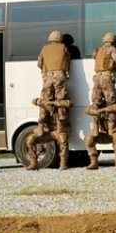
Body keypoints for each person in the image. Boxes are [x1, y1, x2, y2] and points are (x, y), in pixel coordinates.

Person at [32, 31, 71, 169]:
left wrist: (46, 71)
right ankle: (61, 122)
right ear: (60, 39)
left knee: (45, 101)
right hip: (60, 75)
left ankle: (42, 123)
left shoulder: (44, 48)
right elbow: (67, 62)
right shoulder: (64, 48)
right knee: (61, 101)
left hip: (47, 77)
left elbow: (39, 63)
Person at [85, 33, 116, 170]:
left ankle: (95, 128)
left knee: (95, 104)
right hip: (107, 79)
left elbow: (94, 59)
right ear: (113, 42)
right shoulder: (112, 50)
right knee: (111, 105)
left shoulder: (98, 50)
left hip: (96, 79)